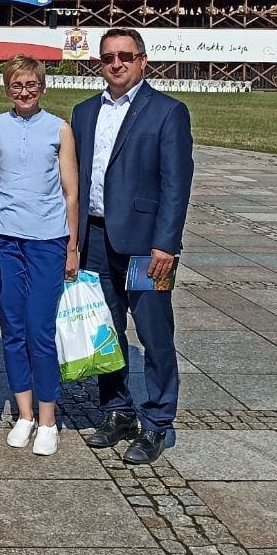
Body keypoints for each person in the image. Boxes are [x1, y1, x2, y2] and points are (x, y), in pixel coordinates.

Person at [73, 28, 193, 465]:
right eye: (108, 57)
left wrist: (166, 243)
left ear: (143, 61)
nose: (117, 64)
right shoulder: (84, 113)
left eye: (125, 56)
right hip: (97, 239)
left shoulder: (167, 112)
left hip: (147, 247)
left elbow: (176, 185)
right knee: (105, 330)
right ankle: (117, 410)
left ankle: (158, 421)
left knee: (154, 332)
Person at [0, 56, 80, 457]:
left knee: (39, 330)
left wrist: (72, 246)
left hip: (47, 240)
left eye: (31, 85)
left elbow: (70, 192)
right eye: (16, 86)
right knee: (11, 329)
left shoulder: (59, 128)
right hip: (6, 238)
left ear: (42, 87)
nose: (23, 92)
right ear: (6, 88)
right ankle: (23, 414)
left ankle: (47, 418)